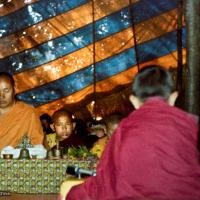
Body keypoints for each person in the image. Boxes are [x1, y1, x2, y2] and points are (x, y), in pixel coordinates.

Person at [60, 65, 200, 200]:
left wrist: (74, 194)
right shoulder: (191, 124)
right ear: (174, 97)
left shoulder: (125, 128)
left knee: (70, 191)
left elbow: (106, 179)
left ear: (134, 101)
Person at [0, 72, 44, 150]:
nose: (1, 96)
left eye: (6, 90)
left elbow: (37, 144)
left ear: (15, 89)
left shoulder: (28, 113)